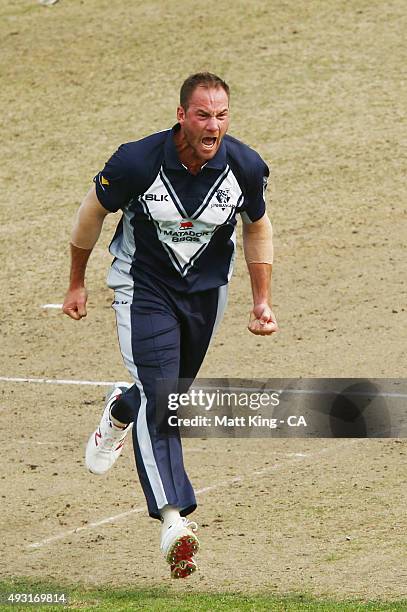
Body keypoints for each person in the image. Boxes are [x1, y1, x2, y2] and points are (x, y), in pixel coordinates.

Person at [63, 72, 278, 579]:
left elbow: (257, 226)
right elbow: (92, 213)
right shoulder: (138, 162)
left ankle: (120, 410)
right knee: (163, 399)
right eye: (203, 114)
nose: (213, 125)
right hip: (144, 291)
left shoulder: (244, 166)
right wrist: (76, 282)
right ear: (181, 115)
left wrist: (261, 300)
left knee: (165, 391)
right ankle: (173, 520)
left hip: (206, 295)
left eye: (222, 115)